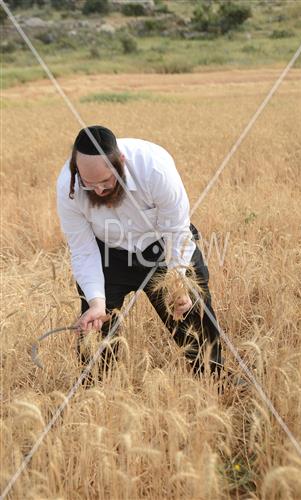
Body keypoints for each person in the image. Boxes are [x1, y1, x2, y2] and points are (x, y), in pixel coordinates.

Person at [56, 125, 224, 384]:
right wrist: (97, 303)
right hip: (108, 254)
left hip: (163, 246)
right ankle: (96, 395)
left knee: (194, 320)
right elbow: (82, 249)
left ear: (120, 162)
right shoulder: (68, 187)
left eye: (105, 181)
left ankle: (214, 383)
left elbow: (176, 231)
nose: (99, 190)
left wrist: (179, 284)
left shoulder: (154, 168)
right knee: (95, 334)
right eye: (89, 184)